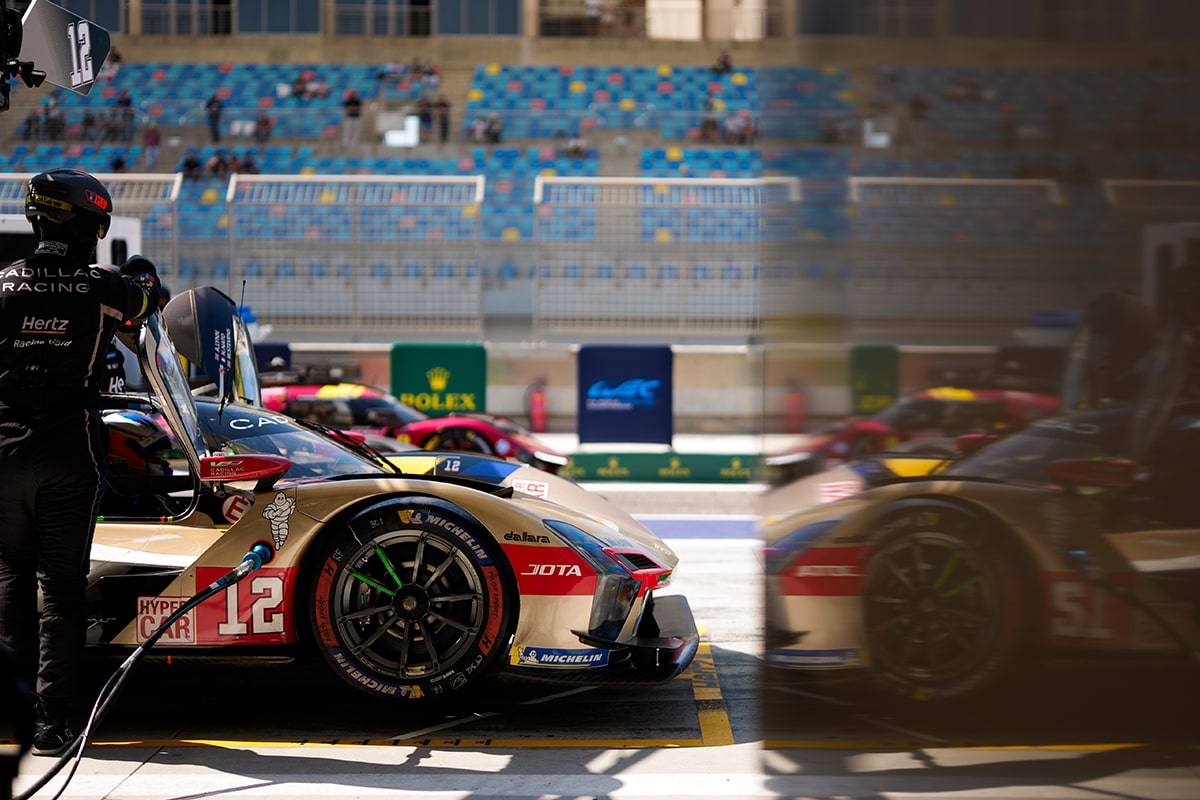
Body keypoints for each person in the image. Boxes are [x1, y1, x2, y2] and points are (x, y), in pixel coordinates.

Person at [0, 169, 161, 757]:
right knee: (62, 592)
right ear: (90, 224)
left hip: (4, 449)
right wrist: (141, 271)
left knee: (11, 581)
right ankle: (51, 725)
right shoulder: (104, 287)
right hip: (70, 450)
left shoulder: (1, 284)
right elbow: (150, 297)